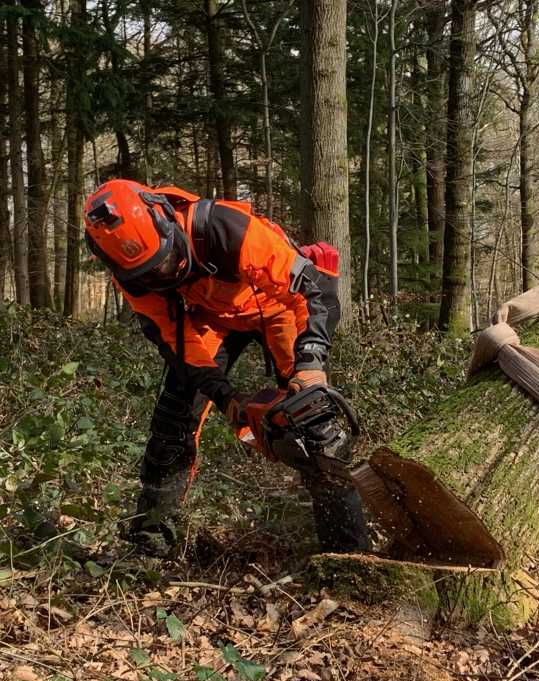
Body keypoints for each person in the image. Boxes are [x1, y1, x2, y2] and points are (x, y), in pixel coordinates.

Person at [83, 179, 370, 557]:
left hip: (279, 306)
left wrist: (311, 364)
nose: (163, 276)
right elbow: (178, 345)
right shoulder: (133, 275)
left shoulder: (224, 228)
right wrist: (227, 399)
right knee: (174, 417)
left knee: (315, 425)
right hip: (211, 317)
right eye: (149, 274)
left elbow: (312, 289)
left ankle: (347, 554)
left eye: (166, 261)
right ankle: (150, 540)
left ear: (167, 222)